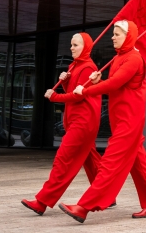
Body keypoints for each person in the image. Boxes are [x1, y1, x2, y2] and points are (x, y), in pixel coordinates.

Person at [58, 21, 146, 223]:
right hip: (122, 121)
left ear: (128, 36)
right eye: (113, 33)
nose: (112, 37)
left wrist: (86, 90)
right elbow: (117, 85)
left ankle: (84, 207)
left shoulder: (133, 58)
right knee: (139, 164)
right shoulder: (120, 58)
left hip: (129, 123)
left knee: (109, 163)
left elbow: (115, 83)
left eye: (117, 34)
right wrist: (97, 81)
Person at [22, 33, 104, 215]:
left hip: (82, 123)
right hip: (78, 122)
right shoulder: (76, 67)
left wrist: (55, 96)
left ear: (85, 47)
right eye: (71, 45)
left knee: (63, 160)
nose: (71, 48)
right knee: (92, 162)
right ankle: (106, 195)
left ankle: (42, 201)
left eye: (75, 45)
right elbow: (74, 91)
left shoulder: (87, 68)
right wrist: (65, 83)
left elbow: (78, 96)